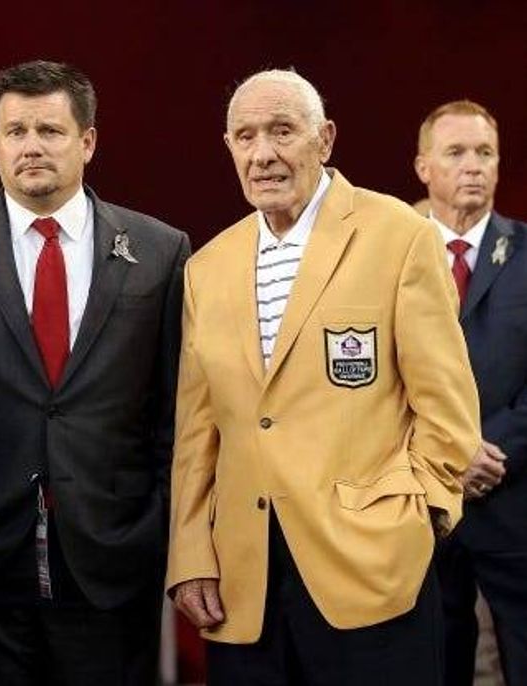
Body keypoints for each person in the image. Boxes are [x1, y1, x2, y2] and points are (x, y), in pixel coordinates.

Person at [167, 69, 481, 686]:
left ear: (326, 139)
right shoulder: (207, 266)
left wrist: (419, 517)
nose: (263, 154)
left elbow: (448, 409)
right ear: (228, 146)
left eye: (283, 131)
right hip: (244, 581)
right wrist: (189, 554)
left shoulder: (399, 236)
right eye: (246, 135)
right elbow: (196, 433)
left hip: (372, 570)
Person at [0, 60, 190, 684]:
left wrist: (157, 526)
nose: (31, 146)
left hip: (111, 559)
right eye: (15, 132)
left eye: (51, 130)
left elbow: (176, 411)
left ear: (87, 141)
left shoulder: (160, 250)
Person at [415, 99, 527, 686]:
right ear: (423, 167)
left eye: (485, 152)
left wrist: (489, 449)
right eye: (456, 153)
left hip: (514, 496)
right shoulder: (387, 258)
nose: (473, 166)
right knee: (435, 659)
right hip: (422, 502)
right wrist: (450, 450)